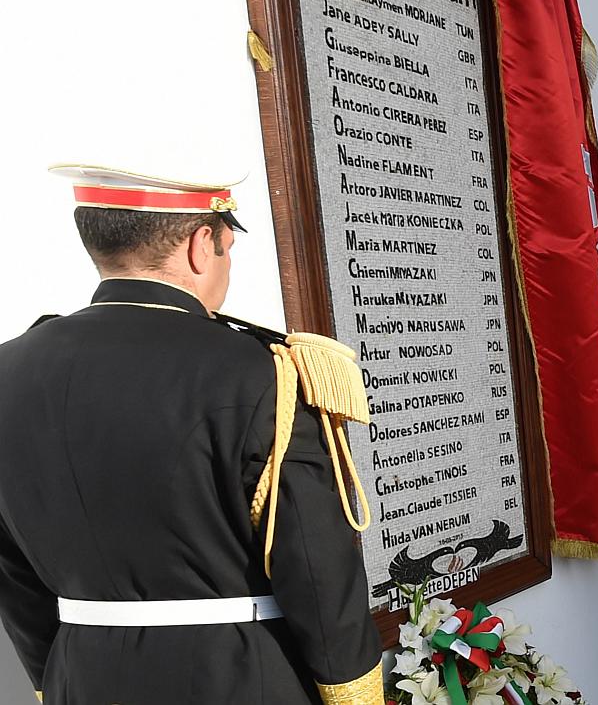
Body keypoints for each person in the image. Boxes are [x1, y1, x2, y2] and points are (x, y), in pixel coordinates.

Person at [0, 163, 382, 704]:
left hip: (80, 677)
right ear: (203, 245)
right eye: (228, 245)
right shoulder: (260, 372)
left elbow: (13, 578)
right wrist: (354, 696)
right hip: (241, 678)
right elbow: (318, 572)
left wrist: (54, 680)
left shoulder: (7, 372)